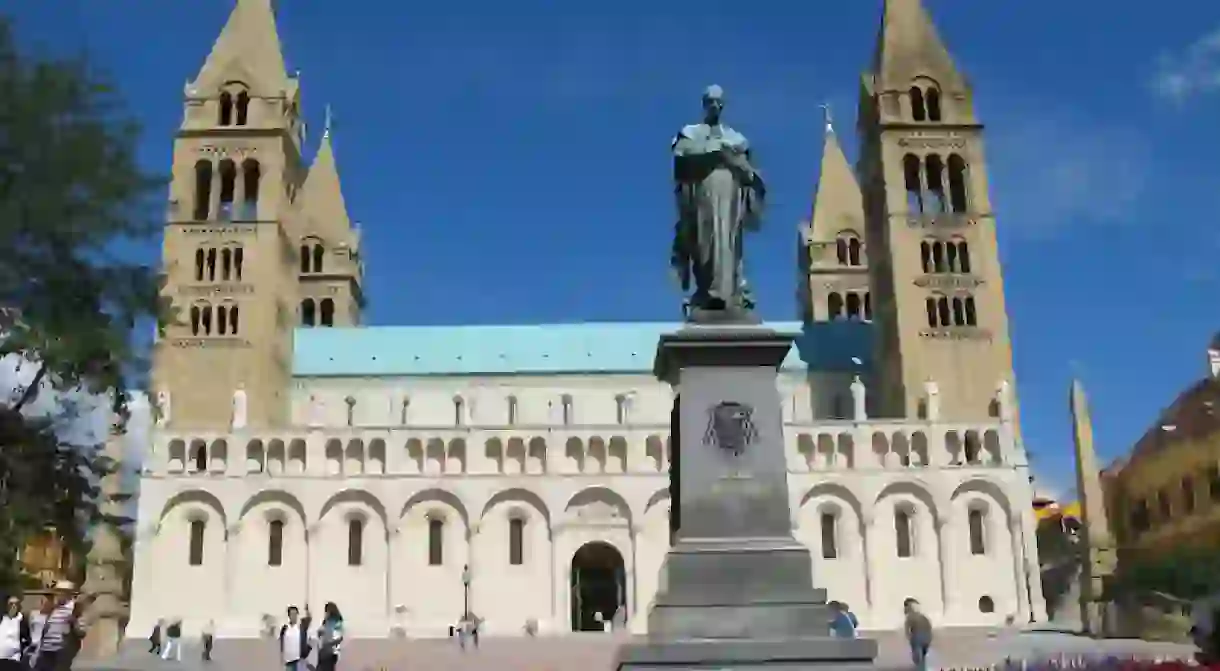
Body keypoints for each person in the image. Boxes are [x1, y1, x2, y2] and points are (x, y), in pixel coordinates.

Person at [31, 580, 87, 671]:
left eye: (62, 592)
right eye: (57, 591)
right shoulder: (53, 608)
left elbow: (82, 632)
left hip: (61, 652)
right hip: (45, 650)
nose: (58, 594)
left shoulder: (75, 609)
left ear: (69, 593)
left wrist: (74, 622)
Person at [0, 596, 31, 669]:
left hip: (14, 660)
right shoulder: (2, 619)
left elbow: (28, 640)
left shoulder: (22, 621)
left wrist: (23, 652)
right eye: (11, 604)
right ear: (7, 606)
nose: (13, 606)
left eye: (16, 604)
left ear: (19, 606)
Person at [278, 605, 312, 671]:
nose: (294, 616)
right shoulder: (285, 628)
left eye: (295, 614)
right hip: (288, 660)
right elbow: (281, 642)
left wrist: (307, 610)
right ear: (289, 615)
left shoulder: (301, 627)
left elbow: (309, 619)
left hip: (299, 660)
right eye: (292, 614)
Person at [903, 598, 933, 671]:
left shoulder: (910, 617)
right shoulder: (923, 617)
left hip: (918, 636)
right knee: (922, 655)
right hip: (926, 636)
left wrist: (909, 637)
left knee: (917, 655)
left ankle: (920, 668)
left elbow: (907, 629)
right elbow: (929, 626)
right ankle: (922, 668)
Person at [315, 602, 344, 671]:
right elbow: (320, 633)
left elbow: (338, 638)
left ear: (330, 612)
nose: (325, 613)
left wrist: (327, 642)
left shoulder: (337, 623)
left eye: (326, 611)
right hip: (323, 652)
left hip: (331, 653)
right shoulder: (326, 622)